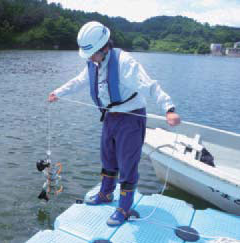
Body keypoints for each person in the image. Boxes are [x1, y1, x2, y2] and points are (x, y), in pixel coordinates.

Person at [48, 21, 180, 226]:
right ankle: (106, 193)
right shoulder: (94, 62)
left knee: (127, 162)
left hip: (131, 116)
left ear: (104, 47)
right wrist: (58, 92)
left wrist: (169, 109)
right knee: (107, 157)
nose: (90, 58)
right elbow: (79, 81)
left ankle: (124, 207)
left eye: (92, 54)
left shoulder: (125, 63)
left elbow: (151, 86)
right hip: (110, 116)